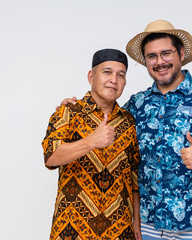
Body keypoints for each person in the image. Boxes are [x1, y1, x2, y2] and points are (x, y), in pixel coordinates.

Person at [60, 20, 192, 239]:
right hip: (150, 224)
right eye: (152, 56)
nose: (159, 62)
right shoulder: (137, 104)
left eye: (166, 53)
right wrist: (75, 108)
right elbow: (102, 120)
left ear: (180, 53)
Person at [42, 49, 141, 240]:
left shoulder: (129, 121)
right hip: (72, 229)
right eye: (107, 72)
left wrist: (136, 221)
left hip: (119, 229)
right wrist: (90, 141)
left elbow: (134, 177)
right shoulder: (68, 112)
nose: (114, 79)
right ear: (91, 76)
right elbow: (51, 157)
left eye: (121, 75)